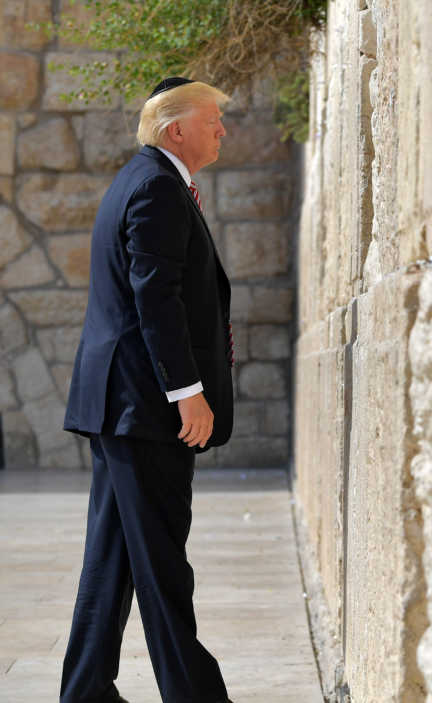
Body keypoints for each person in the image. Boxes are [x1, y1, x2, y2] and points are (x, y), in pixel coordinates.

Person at [60, 77, 236, 703]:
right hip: (143, 408)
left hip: (124, 408)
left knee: (113, 563)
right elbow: (153, 296)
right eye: (212, 119)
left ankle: (84, 693)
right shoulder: (158, 187)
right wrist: (187, 390)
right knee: (161, 567)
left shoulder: (144, 180)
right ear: (175, 129)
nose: (221, 129)